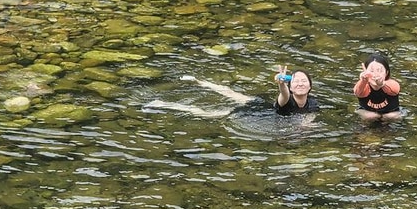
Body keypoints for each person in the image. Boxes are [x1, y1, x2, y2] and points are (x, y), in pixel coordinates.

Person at [144, 66, 318, 117]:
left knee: (220, 102)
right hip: (258, 113)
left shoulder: (313, 103)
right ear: (291, 85)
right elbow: (283, 94)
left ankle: (163, 104)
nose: (301, 84)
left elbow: (309, 118)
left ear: (310, 86)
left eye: (304, 81)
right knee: (218, 105)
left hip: (264, 110)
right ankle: (199, 82)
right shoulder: (286, 97)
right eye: (296, 80)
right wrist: (281, 83)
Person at [353, 53, 401, 122]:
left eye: (380, 71)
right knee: (370, 116)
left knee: (391, 116)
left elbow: (395, 89)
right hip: (367, 112)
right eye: (371, 71)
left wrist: (381, 84)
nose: (375, 74)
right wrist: (363, 81)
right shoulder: (364, 87)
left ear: (386, 73)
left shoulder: (392, 84)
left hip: (391, 112)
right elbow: (357, 92)